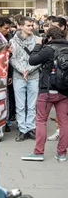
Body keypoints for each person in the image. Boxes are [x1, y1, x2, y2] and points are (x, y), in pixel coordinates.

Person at [22, 26, 68, 162]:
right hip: (64, 91)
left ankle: (38, 152)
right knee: (64, 122)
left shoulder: (49, 49)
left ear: (50, 37)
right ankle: (61, 154)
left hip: (47, 91)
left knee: (41, 120)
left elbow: (32, 60)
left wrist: (37, 44)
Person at [10, 17, 39, 142]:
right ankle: (23, 130)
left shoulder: (38, 40)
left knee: (32, 105)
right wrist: (22, 70)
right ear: (20, 26)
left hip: (34, 75)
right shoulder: (13, 41)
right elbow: (12, 58)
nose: (30, 28)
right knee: (20, 105)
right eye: (28, 25)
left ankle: (31, 128)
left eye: (31, 25)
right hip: (18, 76)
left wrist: (29, 70)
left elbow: (39, 58)